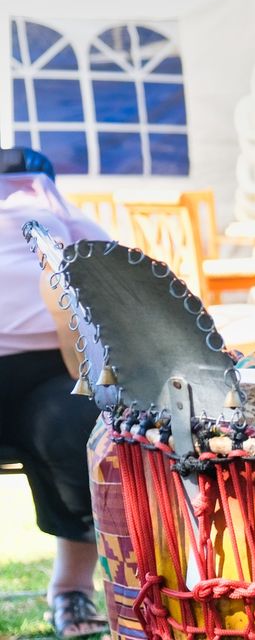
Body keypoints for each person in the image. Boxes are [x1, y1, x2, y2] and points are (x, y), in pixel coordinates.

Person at [0, 147, 108, 638]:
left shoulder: (58, 213)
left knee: (77, 430)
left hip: (53, 370)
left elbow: (117, 270)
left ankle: (72, 589)